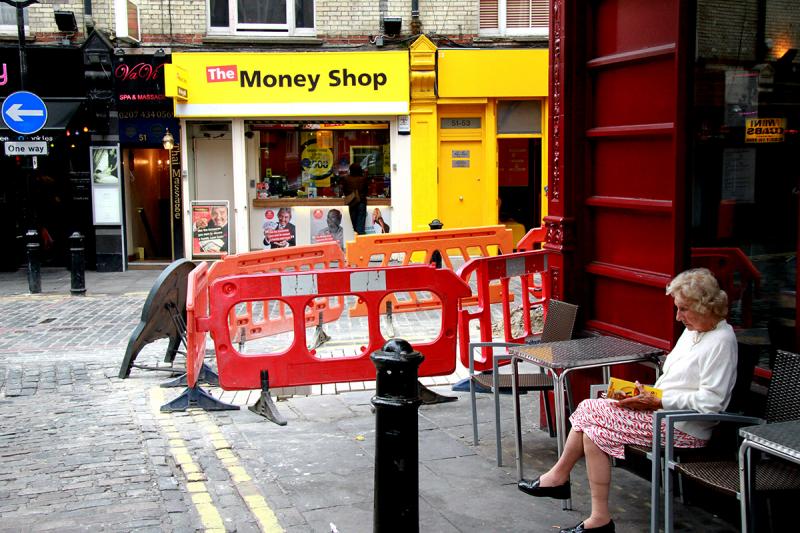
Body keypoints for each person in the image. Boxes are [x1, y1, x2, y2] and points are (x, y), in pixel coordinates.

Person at [518, 268, 737, 533]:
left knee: (588, 408)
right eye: (677, 309)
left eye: (684, 309)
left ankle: (559, 477)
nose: (679, 317)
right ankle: (599, 518)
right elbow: (674, 382)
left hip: (684, 428)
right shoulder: (693, 332)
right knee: (593, 431)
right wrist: (643, 394)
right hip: (662, 415)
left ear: (706, 307)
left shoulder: (722, 341)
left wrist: (659, 400)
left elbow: (713, 402)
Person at [342, 163, 368, 234]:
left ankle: (356, 238)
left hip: (352, 203)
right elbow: (366, 191)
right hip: (361, 202)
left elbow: (344, 190)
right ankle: (360, 240)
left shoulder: (346, 179)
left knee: (354, 223)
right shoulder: (363, 179)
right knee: (361, 224)